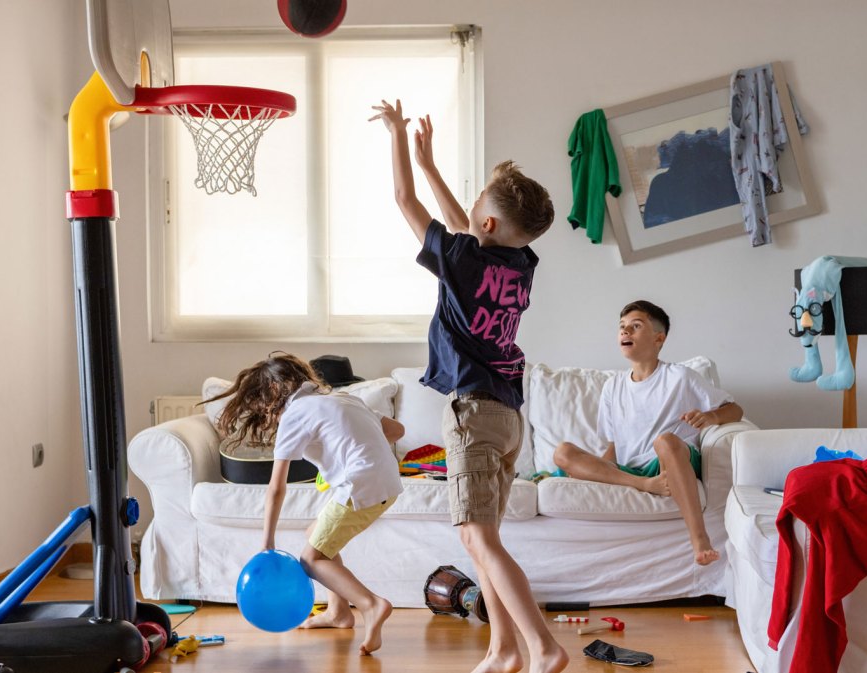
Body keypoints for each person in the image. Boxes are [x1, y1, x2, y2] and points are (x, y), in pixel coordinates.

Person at [371, 100, 567, 673]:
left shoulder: (462, 258)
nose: (469, 215)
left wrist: (399, 138)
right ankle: (503, 648)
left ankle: (543, 647)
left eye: (477, 205)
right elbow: (464, 226)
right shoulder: (521, 263)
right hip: (508, 416)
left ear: (486, 224)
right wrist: (430, 164)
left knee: (480, 539)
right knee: (479, 539)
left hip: (473, 414)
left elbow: (406, 204)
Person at [207, 353, 405, 656]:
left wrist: (267, 543)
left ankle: (371, 605)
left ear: (274, 392)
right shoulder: (344, 398)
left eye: (261, 401)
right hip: (387, 481)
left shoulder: (294, 414)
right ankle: (339, 613)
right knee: (318, 535)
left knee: (311, 559)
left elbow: (276, 488)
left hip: (359, 484)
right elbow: (397, 431)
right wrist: (344, 444)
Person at [554, 300, 744, 566]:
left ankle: (700, 539)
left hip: (670, 463)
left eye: (635, 326)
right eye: (622, 327)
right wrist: (600, 470)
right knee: (563, 452)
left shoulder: (680, 377)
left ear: (658, 338)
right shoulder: (612, 387)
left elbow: (734, 410)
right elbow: (613, 446)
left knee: (665, 440)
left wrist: (710, 416)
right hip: (632, 471)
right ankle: (644, 485)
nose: (625, 332)